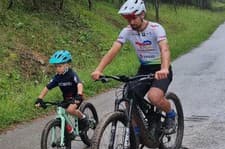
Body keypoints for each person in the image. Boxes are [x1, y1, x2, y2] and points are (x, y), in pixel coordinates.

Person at [91, 0, 175, 135]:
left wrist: (164, 68)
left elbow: (164, 49)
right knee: (128, 96)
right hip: (144, 69)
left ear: (142, 14)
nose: (131, 22)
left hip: (161, 69)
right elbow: (113, 51)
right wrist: (99, 69)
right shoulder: (127, 31)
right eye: (127, 19)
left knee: (154, 97)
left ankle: (171, 114)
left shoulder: (155, 28)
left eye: (133, 18)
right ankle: (136, 132)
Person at [35, 50, 88, 136]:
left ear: (67, 65)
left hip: (76, 97)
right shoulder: (57, 77)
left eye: (60, 66)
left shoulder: (71, 74)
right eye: (56, 67)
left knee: (70, 110)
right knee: (61, 111)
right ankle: (70, 131)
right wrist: (40, 98)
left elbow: (79, 84)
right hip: (67, 99)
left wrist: (79, 95)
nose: (57, 68)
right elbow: (47, 87)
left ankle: (83, 118)